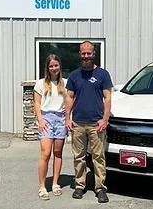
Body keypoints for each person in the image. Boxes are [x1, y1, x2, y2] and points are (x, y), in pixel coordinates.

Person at [65, 41, 113, 203]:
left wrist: (105, 119)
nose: (86, 56)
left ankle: (100, 188)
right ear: (80, 54)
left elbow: (107, 98)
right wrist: (67, 118)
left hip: (96, 124)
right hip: (78, 123)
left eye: (89, 53)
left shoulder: (103, 75)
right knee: (78, 156)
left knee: (98, 157)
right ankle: (80, 185)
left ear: (94, 54)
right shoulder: (74, 76)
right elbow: (69, 97)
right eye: (83, 53)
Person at [34, 54, 67, 201]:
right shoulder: (40, 84)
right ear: (47, 68)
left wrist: (68, 110)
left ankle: (55, 183)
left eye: (56, 65)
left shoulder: (65, 83)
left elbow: (72, 99)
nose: (54, 68)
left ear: (60, 66)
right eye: (51, 66)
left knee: (58, 152)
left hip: (60, 119)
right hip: (46, 118)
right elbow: (36, 103)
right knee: (46, 153)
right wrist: (40, 120)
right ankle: (42, 186)